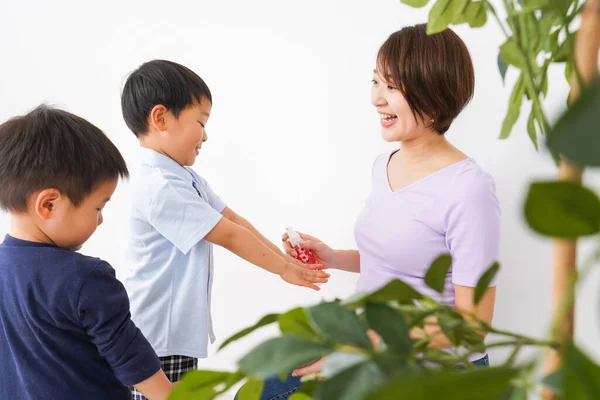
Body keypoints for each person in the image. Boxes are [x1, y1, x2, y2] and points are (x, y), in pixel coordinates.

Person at [259, 23, 500, 399]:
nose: (376, 99)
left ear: (434, 94)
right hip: (371, 343)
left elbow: (473, 325)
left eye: (392, 87)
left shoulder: (469, 189)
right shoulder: (384, 164)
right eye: (376, 82)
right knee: (265, 385)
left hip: (433, 367)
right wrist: (334, 257)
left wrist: (368, 343)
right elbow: (401, 261)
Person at [120, 60, 330, 399]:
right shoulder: (160, 185)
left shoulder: (183, 177)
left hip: (172, 333)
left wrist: (286, 259)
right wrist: (286, 270)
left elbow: (234, 221)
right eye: (200, 123)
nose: (206, 135)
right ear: (160, 119)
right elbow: (229, 236)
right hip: (158, 334)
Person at [0, 105, 174, 400]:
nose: (101, 219)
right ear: (49, 204)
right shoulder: (85, 277)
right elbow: (130, 357)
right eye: (98, 207)